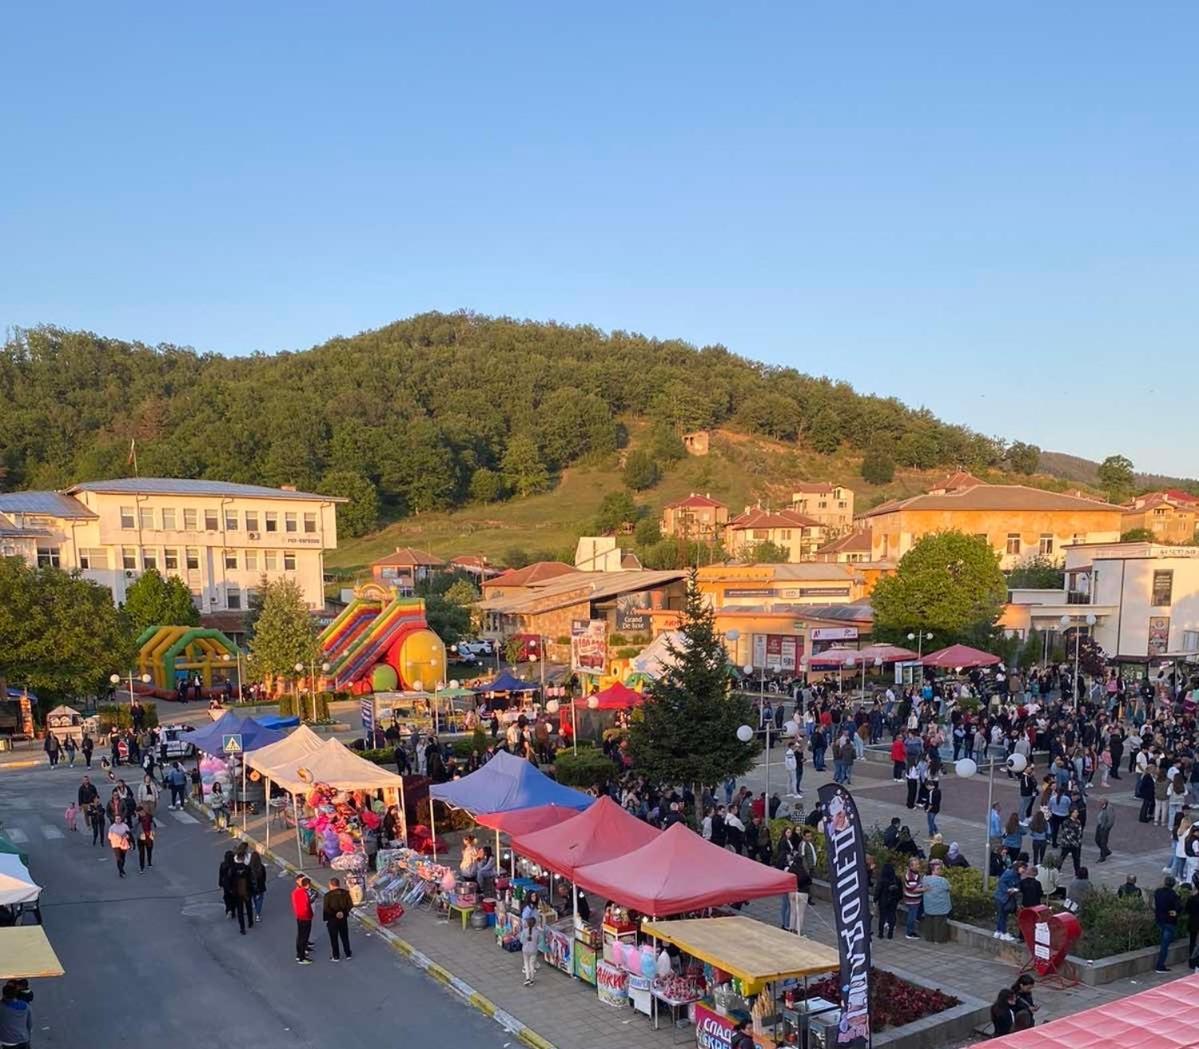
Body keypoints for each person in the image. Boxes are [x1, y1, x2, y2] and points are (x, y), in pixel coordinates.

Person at [1154, 875, 1181, 973]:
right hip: (1169, 921)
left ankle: (1160, 965)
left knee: (1164, 941)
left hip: (1159, 920)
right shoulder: (1174, 895)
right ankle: (1160, 965)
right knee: (1165, 945)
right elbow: (1178, 908)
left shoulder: (1158, 892)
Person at [323, 877, 353, 960]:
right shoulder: (345, 893)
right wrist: (343, 912)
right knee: (345, 936)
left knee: (334, 938)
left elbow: (326, 908)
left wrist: (335, 914)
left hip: (332, 920)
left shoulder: (328, 895)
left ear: (331, 885)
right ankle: (348, 953)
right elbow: (350, 905)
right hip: (343, 919)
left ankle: (336, 956)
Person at [921, 861, 951, 943]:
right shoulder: (943, 880)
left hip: (929, 906)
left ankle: (929, 938)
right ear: (933, 870)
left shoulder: (925, 879)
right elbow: (948, 888)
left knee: (929, 923)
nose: (940, 870)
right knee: (940, 924)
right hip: (940, 907)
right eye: (938, 869)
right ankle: (939, 939)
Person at [0, 981, 32, 1049]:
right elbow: (29, 1024)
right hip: (24, 1039)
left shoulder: (2, 1007)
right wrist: (28, 1039)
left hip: (8, 1042)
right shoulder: (26, 1006)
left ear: (4, 995)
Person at [993, 864, 1021, 941]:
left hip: (1002, 897)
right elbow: (1001, 882)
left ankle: (998, 931)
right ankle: (1003, 933)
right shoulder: (1010, 874)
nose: (1024, 870)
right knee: (1003, 915)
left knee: (1001, 915)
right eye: (1023, 868)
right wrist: (1008, 890)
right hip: (1003, 898)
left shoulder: (1014, 874)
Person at [292, 876, 315, 964]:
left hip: (299, 917)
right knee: (304, 937)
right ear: (308, 885)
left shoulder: (296, 892)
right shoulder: (303, 893)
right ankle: (302, 957)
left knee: (300, 936)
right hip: (305, 918)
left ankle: (299, 954)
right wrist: (310, 915)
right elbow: (306, 907)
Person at [230, 846, 253, 934]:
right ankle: (250, 922)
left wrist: (232, 889)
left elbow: (230, 880)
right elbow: (251, 880)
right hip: (247, 891)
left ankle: (242, 928)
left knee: (240, 910)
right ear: (243, 858)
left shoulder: (233, 869)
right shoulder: (247, 868)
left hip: (237, 892)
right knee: (249, 907)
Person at [875, 862, 901, 939]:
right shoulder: (897, 879)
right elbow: (900, 891)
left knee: (882, 917)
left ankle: (881, 933)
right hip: (893, 900)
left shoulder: (882, 879)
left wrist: (875, 899)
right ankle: (890, 934)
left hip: (883, 900)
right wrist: (898, 899)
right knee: (892, 916)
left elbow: (878, 890)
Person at [902, 858, 924, 939]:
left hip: (914, 899)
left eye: (918, 864)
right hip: (912, 899)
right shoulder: (911, 876)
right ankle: (910, 932)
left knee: (913, 915)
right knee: (912, 916)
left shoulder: (914, 874)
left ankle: (911, 930)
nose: (918, 866)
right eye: (916, 864)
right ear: (911, 866)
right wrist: (925, 889)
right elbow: (914, 889)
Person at [1058, 808, 1084, 876]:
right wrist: (1075, 843)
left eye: (1077, 812)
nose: (1077, 814)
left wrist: (1079, 841)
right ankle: (1057, 870)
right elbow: (1068, 834)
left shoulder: (1078, 821)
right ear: (1071, 813)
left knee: (1077, 859)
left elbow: (1080, 833)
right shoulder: (1066, 822)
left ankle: (1077, 872)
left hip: (1076, 844)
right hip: (1067, 844)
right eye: (1075, 812)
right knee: (1062, 857)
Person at [107, 813, 132, 878]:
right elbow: (109, 837)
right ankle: (121, 871)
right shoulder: (112, 827)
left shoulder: (125, 826)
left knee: (123, 858)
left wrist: (126, 836)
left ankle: (121, 868)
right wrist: (116, 838)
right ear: (115, 820)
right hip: (116, 844)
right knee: (118, 858)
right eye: (116, 819)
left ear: (121, 819)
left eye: (119, 819)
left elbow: (129, 835)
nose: (118, 820)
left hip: (124, 844)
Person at [134, 804, 154, 872]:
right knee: (141, 853)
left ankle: (149, 862)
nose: (138, 814)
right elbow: (134, 827)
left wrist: (152, 833)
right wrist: (137, 818)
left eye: (138, 813)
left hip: (148, 836)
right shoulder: (138, 819)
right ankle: (141, 867)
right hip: (140, 837)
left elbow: (152, 824)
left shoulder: (149, 816)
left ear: (142, 811)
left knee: (149, 850)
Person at [520, 914, 539, 985]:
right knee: (532, 964)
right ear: (535, 924)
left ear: (527, 924)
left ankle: (527, 978)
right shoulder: (537, 932)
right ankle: (532, 979)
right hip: (533, 950)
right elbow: (538, 941)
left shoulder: (524, 931)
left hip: (525, 950)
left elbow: (521, 941)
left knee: (526, 964)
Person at [250, 850, 267, 923]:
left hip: (252, 887)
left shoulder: (249, 867)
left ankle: (255, 906)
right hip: (260, 887)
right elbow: (264, 877)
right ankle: (257, 914)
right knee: (260, 900)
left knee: (254, 898)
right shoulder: (261, 867)